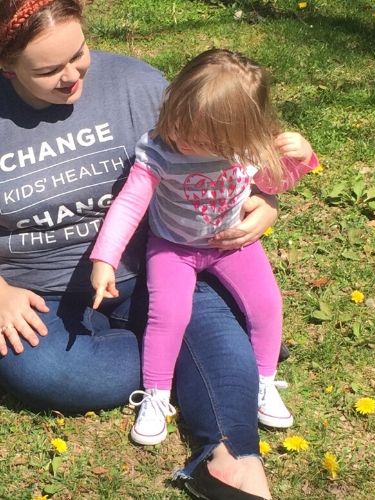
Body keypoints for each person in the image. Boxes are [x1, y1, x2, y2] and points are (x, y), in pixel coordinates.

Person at [0, 1, 283, 498]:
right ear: (6, 64)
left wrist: (267, 198)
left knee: (194, 316)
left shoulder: (136, 83)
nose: (71, 76)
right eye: (48, 70)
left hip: (151, 268)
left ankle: (232, 459)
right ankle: (205, 352)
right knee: (41, 369)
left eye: (80, 53)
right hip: (37, 296)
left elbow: (221, 142)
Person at [91, 48, 319, 446]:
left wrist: (300, 160)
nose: (181, 137)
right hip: (172, 247)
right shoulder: (160, 149)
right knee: (169, 314)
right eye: (178, 122)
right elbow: (129, 203)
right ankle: (156, 395)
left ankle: (263, 381)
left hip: (231, 244)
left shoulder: (247, 147)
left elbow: (273, 185)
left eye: (198, 137)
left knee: (266, 303)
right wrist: (105, 258)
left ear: (239, 132)